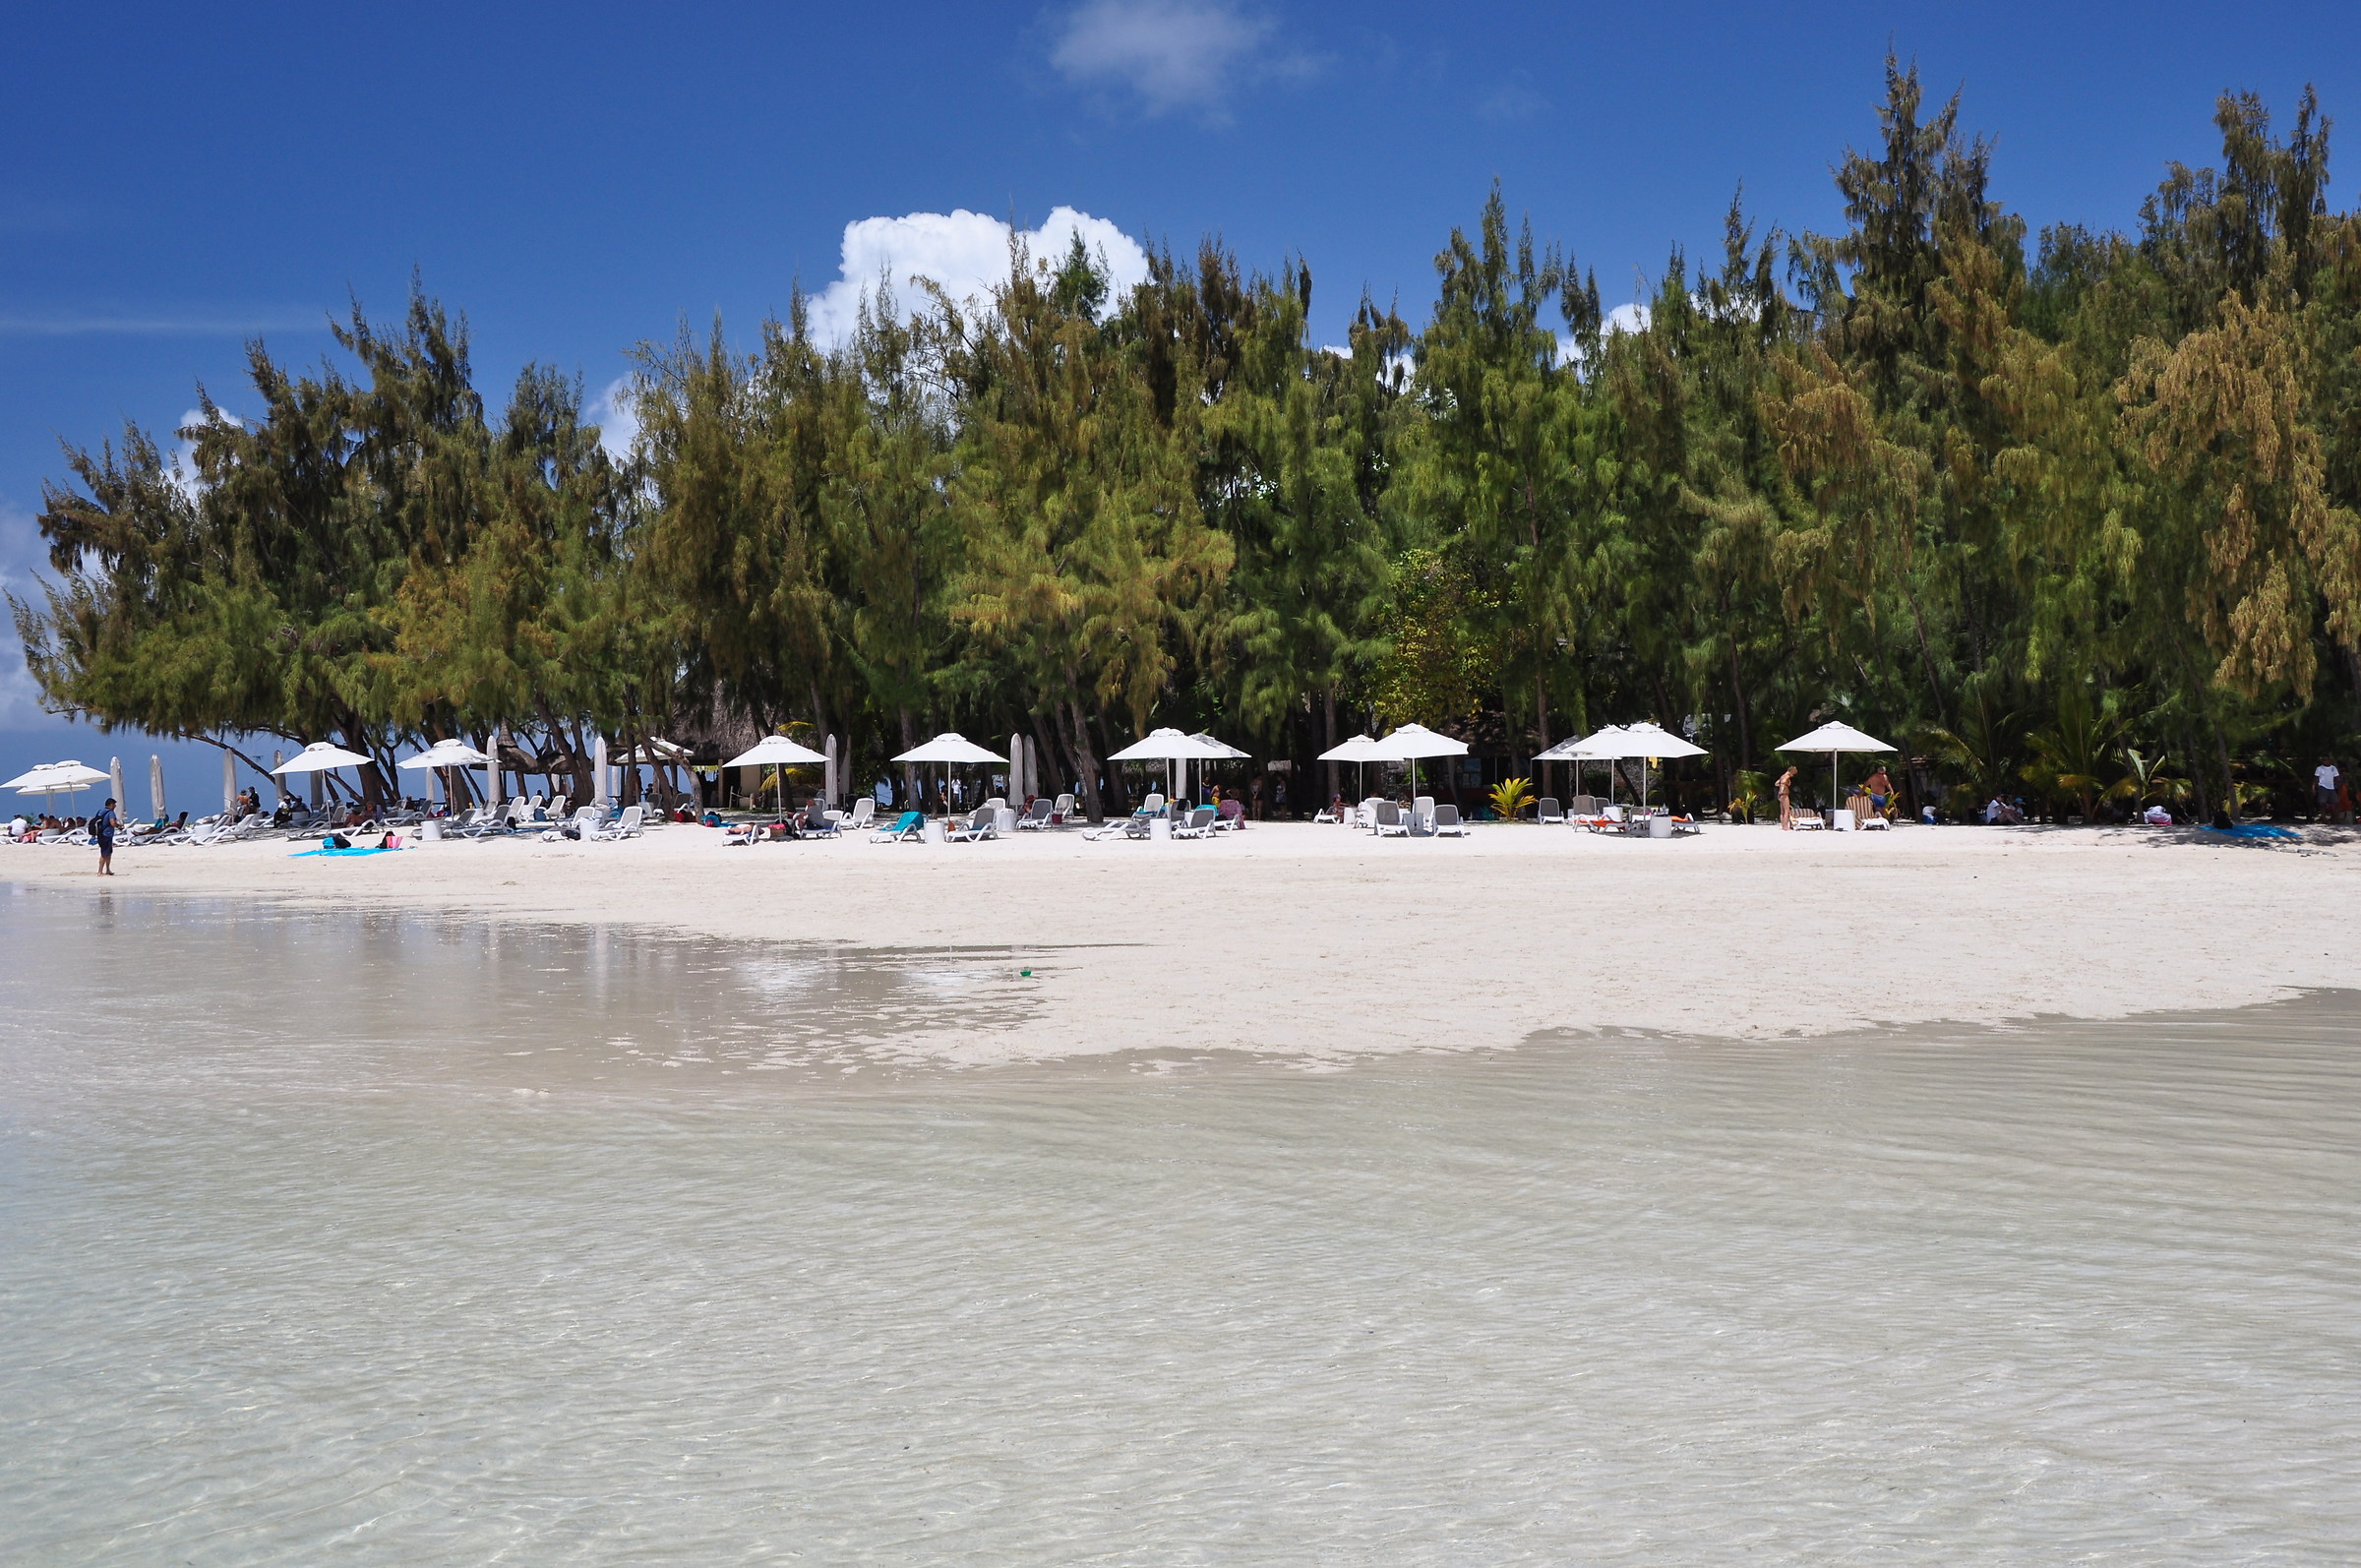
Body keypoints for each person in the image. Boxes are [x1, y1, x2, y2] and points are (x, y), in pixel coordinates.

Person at [92, 796, 119, 875]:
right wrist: (119, 826)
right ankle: (100, 871)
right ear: (111, 804)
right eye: (114, 805)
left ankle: (108, 870)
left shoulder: (100, 811)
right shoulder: (111, 813)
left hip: (100, 834)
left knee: (108, 852)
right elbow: (112, 823)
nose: (115, 806)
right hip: (106, 835)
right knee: (104, 853)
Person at [1776, 765, 1796, 830]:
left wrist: (1781, 785)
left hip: (1780, 794)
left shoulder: (1782, 776)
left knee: (1782, 811)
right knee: (1787, 810)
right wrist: (1787, 783)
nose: (1793, 775)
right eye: (1793, 774)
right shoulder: (1787, 776)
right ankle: (1785, 826)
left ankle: (1783, 825)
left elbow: (1776, 783)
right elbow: (1783, 781)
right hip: (1784, 794)